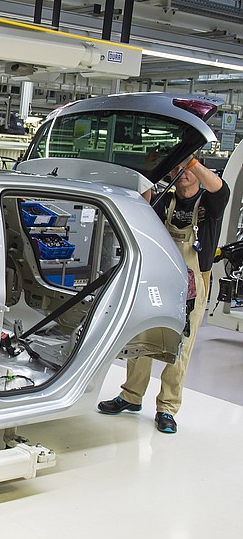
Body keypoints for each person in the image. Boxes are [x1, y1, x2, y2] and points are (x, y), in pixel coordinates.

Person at [98, 157, 230, 433]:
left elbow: (221, 189)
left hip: (192, 282)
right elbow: (141, 204)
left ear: (197, 169)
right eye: (176, 169)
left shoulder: (209, 204)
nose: (180, 174)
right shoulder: (164, 201)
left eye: (187, 169)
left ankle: (167, 408)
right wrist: (152, 170)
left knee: (180, 347)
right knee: (142, 336)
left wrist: (189, 160)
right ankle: (131, 396)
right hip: (159, 277)